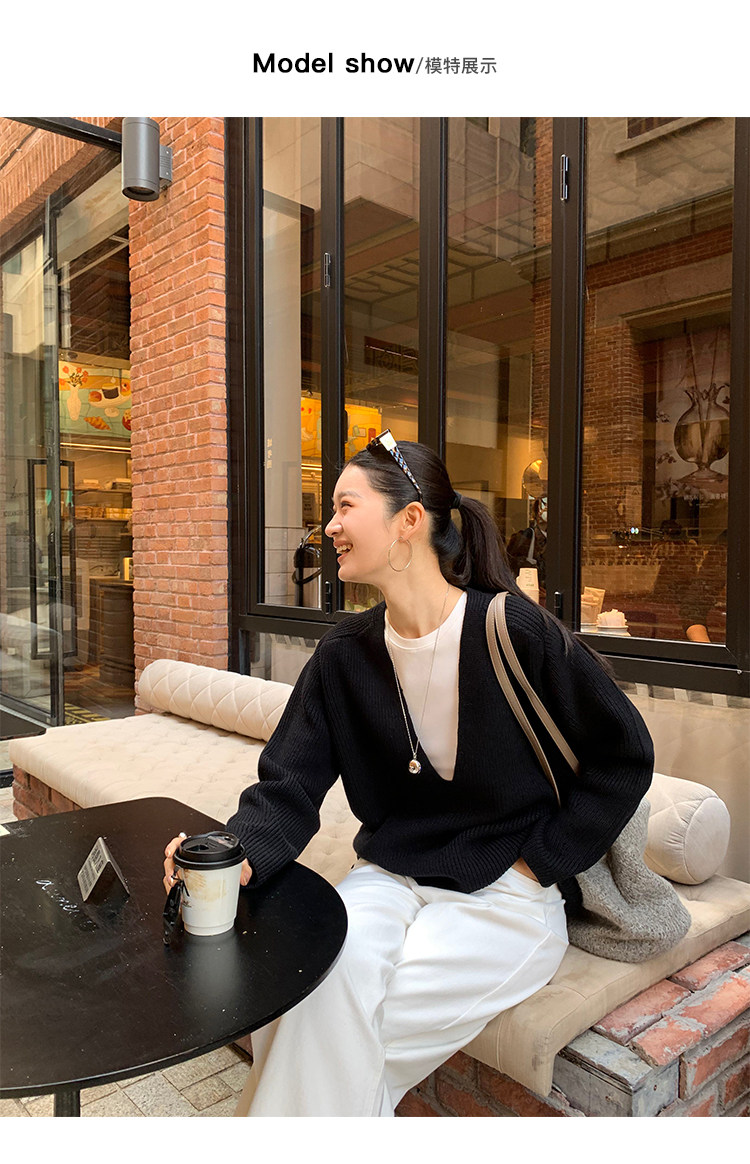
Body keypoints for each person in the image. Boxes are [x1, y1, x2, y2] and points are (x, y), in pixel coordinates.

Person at [163, 432, 654, 1117]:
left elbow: (624, 756)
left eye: (345, 506)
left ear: (409, 521)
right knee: (312, 989)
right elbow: (289, 784)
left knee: (313, 1028)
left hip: (505, 895)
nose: (328, 526)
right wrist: (234, 853)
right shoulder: (344, 656)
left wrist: (537, 864)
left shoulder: (513, 631)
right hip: (386, 878)